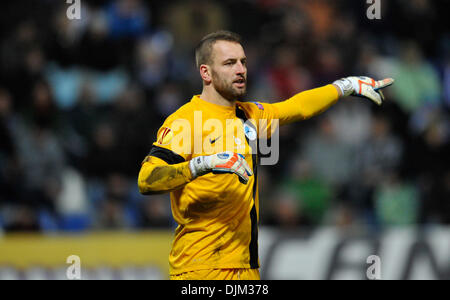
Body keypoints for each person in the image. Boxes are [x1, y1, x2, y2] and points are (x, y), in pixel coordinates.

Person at [137, 30, 393, 280]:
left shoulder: (250, 115)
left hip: (246, 268)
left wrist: (343, 86)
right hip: (200, 269)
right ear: (206, 72)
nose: (241, 70)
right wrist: (202, 165)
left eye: (243, 62)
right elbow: (147, 179)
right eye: (229, 63)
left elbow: (297, 107)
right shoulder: (185, 121)